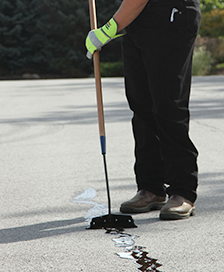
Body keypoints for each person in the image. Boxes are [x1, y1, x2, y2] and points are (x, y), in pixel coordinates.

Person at [85, 0, 201, 220]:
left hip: (172, 16)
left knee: (168, 106)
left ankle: (182, 191)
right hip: (139, 22)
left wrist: (106, 31)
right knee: (141, 107)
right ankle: (151, 188)